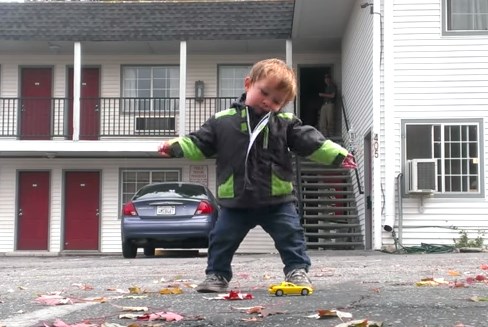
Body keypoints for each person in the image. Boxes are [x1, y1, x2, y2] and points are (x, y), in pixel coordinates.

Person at [157, 58, 356, 293]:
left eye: (276, 101)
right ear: (248, 84)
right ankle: (217, 275)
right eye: (264, 92)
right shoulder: (223, 121)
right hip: (236, 200)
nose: (268, 102)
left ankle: (297, 270)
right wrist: (175, 146)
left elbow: (311, 141)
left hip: (277, 200)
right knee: (221, 238)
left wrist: (337, 154)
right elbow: (199, 143)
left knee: (291, 235)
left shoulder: (285, 123)